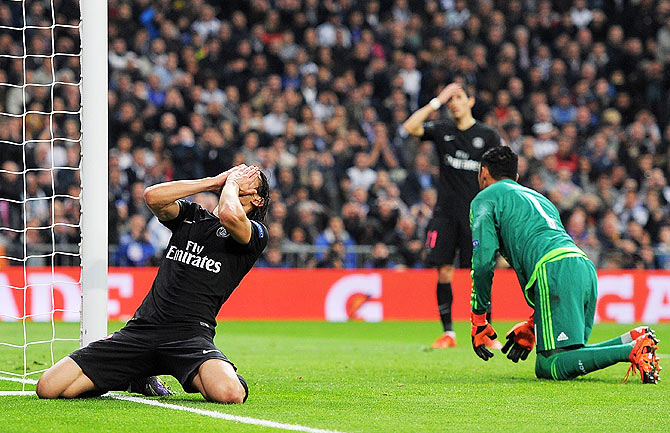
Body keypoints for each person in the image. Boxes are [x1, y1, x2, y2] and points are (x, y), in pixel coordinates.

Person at [36, 164, 270, 402]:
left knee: (229, 394)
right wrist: (214, 181)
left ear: (259, 200)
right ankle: (135, 375)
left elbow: (229, 215)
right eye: (238, 174)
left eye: (248, 179)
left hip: (189, 336)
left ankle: (223, 371)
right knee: (49, 387)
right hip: (143, 329)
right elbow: (152, 196)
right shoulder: (191, 217)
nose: (240, 178)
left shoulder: (254, 234)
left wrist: (231, 184)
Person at [469, 146, 661, 383]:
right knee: (570, 354)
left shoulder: (485, 198)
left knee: (550, 365)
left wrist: (479, 318)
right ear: (516, 177)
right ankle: (633, 338)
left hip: (553, 269)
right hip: (582, 265)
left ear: (483, 172)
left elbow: (483, 262)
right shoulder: (540, 198)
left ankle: (631, 350)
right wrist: (533, 323)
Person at [402, 82, 501, 348]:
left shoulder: (487, 135)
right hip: (444, 213)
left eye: (458, 97)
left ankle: (485, 332)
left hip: (476, 215)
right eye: (450, 100)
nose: (453, 103)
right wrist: (437, 100)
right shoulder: (443, 130)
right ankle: (449, 333)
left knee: (479, 272)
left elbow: (498, 175)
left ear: (470, 101)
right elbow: (410, 127)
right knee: (443, 271)